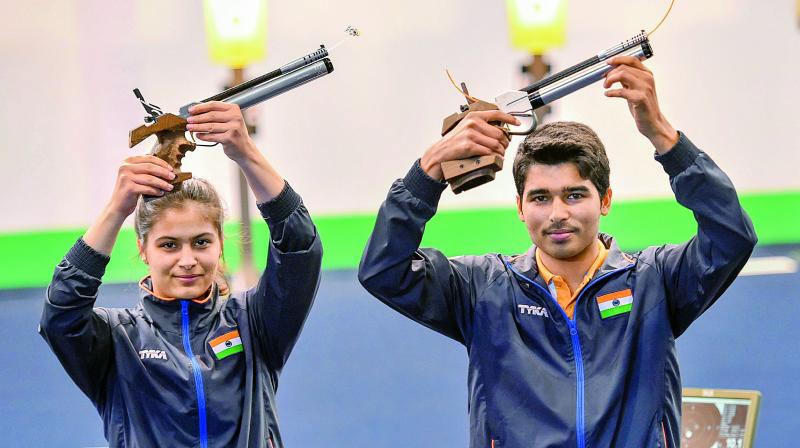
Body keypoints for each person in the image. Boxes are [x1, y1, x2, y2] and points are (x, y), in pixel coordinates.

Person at [358, 55, 757, 447]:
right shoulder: (483, 289)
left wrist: (663, 135)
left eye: (574, 195)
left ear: (605, 200)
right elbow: (383, 270)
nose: (558, 214)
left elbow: (731, 235)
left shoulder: (656, 281)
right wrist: (429, 169)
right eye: (540, 198)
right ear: (520, 207)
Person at [39, 102, 322, 448]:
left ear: (220, 244)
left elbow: (300, 251)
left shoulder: (254, 324)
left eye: (201, 242)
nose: (187, 260)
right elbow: (60, 317)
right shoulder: (117, 341)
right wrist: (116, 209)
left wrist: (246, 152)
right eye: (169, 245)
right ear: (144, 250)